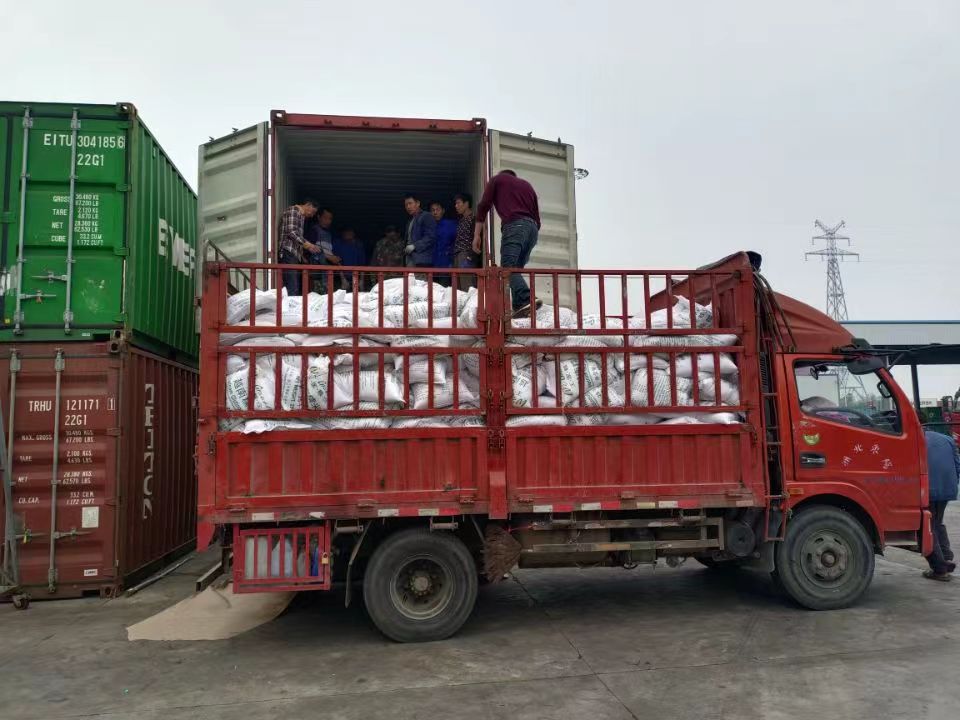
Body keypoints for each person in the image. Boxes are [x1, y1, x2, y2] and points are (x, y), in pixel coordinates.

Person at [473, 169, 541, 317]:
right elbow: (537, 216)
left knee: (507, 268)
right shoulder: (527, 185)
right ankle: (520, 306)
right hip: (532, 230)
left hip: (515, 225)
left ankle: (526, 298)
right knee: (515, 270)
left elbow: (483, 206)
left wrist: (477, 235)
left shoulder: (497, 180)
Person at [924, 429, 960, 581]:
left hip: (929, 490)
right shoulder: (947, 439)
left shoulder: (917, 439)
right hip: (947, 488)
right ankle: (946, 556)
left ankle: (940, 569)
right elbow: (957, 465)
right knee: (937, 522)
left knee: (928, 528)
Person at [277, 199, 319, 295]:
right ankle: (289, 305)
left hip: (293, 254)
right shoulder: (294, 210)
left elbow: (296, 237)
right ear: (308, 204)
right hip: (288, 252)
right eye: (313, 212)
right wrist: (307, 244)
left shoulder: (301, 216)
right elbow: (292, 232)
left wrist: (302, 256)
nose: (312, 215)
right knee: (292, 286)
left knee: (293, 285)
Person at [305, 208, 340, 291]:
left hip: (328, 267)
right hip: (317, 267)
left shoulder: (330, 233)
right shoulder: (314, 230)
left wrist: (335, 258)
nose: (328, 221)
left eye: (330, 219)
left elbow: (330, 250)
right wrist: (329, 257)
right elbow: (309, 249)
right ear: (319, 217)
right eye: (325, 218)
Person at [403, 192, 436, 274]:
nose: (408, 207)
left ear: (418, 203)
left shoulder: (426, 216)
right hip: (410, 260)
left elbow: (431, 237)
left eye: (410, 203)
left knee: (420, 282)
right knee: (410, 282)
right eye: (406, 205)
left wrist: (414, 246)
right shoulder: (410, 221)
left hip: (422, 261)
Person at [453, 192, 479, 290]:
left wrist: (470, 257)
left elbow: (476, 238)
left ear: (466, 203)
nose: (456, 206)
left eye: (458, 203)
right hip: (457, 255)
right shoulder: (461, 220)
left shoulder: (474, 218)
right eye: (455, 204)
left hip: (466, 255)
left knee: (467, 286)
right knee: (458, 288)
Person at [430, 200, 457, 285]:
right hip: (433, 265)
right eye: (433, 210)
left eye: (437, 209)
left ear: (443, 210)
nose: (435, 212)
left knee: (444, 289)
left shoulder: (451, 224)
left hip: (446, 264)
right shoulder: (429, 226)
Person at [334, 227, 367, 292]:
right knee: (342, 295)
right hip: (341, 277)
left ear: (354, 234)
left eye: (350, 233)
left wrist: (361, 280)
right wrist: (343, 279)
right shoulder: (338, 243)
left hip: (356, 276)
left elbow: (362, 263)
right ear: (343, 234)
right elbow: (337, 261)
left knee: (358, 295)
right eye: (346, 233)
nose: (348, 235)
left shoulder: (358, 244)